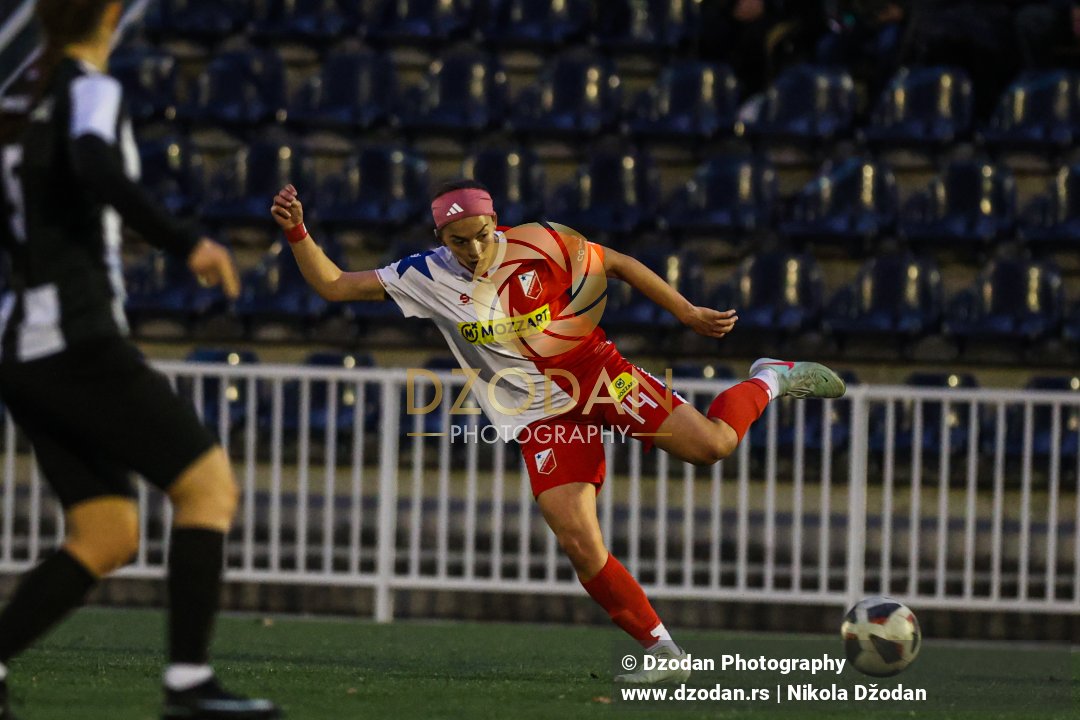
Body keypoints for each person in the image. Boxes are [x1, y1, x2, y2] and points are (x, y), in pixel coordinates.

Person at [270, 180, 846, 685]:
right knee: (577, 539)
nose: (471, 250)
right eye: (457, 241)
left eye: (479, 235)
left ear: (496, 222)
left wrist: (687, 312)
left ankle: (770, 378)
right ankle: (663, 649)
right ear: (440, 237)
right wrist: (299, 233)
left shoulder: (541, 242)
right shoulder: (424, 275)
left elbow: (615, 262)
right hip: (540, 415)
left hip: (600, 376)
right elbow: (335, 285)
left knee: (714, 447)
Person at [0, 2, 279, 718]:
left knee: (106, 531)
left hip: (24, 345)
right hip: (74, 339)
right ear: (112, 16)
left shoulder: (23, 110)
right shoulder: (87, 89)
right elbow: (94, 163)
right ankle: (188, 684)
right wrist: (188, 242)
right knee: (209, 488)